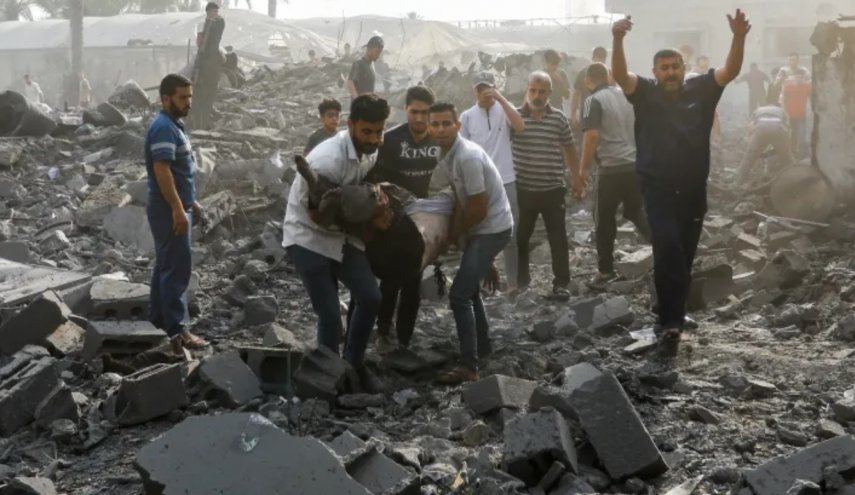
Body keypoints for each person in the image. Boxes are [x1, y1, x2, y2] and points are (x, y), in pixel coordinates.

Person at [611, 9, 750, 355]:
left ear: (684, 68)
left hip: (692, 190)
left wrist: (738, 37)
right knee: (668, 246)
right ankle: (670, 321)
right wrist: (617, 39)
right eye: (664, 68)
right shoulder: (645, 92)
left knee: (684, 254)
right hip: (657, 188)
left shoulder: (702, 89)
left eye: (675, 67)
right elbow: (621, 75)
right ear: (655, 72)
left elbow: (730, 71)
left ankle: (673, 310)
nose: (670, 72)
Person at [282, 94, 390, 391]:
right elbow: (317, 216)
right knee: (330, 316)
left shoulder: (371, 151)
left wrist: (373, 203)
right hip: (307, 235)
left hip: (342, 234)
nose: (374, 138)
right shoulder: (328, 159)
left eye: (379, 131)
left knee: (370, 297)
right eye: (367, 131)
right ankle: (326, 384)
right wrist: (370, 218)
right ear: (351, 124)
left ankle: (353, 365)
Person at [429, 101, 513, 384]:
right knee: (470, 289)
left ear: (457, 125)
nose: (441, 129)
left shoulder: (467, 157)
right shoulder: (447, 154)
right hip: (483, 230)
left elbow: (477, 208)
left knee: (459, 296)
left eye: (446, 123)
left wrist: (454, 236)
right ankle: (483, 346)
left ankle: (470, 366)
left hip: (493, 228)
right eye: (435, 124)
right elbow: (462, 200)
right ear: (429, 128)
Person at [365, 86, 440, 353]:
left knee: (413, 283)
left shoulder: (439, 140)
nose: (419, 118)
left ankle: (405, 340)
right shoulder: (390, 140)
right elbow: (374, 179)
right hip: (395, 224)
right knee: (390, 281)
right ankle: (383, 332)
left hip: (425, 224)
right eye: (414, 112)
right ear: (406, 110)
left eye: (425, 112)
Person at [145, 74, 209, 353]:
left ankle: (160, 322)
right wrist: (177, 209)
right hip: (167, 209)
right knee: (176, 268)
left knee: (165, 264)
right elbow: (162, 171)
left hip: (175, 206)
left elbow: (180, 171)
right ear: (166, 98)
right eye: (182, 97)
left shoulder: (172, 125)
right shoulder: (163, 128)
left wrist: (191, 202)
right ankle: (178, 331)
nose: (188, 102)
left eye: (190, 96)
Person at [579, 62, 652, 284]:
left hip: (610, 169)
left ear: (588, 81)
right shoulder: (627, 96)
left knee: (603, 219)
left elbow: (591, 136)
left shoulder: (593, 100)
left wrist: (583, 170)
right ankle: (668, 249)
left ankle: (605, 270)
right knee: (636, 212)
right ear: (609, 77)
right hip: (634, 166)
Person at [511, 71, 578, 300]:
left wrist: (577, 178)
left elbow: (570, 148)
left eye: (541, 91)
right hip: (523, 189)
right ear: (527, 90)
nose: (537, 96)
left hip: (552, 189)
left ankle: (561, 284)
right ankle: (521, 282)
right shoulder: (515, 117)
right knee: (521, 237)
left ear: (550, 92)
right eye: (533, 90)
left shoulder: (558, 118)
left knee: (558, 238)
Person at [459, 72, 525, 291]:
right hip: (480, 184)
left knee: (510, 233)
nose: (485, 93)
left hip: (506, 179)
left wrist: (501, 99)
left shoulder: (504, 109)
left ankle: (513, 283)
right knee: (480, 233)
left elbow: (520, 125)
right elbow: (462, 150)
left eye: (488, 88)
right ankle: (481, 282)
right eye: (480, 89)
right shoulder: (467, 117)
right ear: (474, 91)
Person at [735, 104, 794, 182]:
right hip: (777, 131)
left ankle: (739, 180)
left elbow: (751, 127)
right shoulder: (782, 111)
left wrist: (752, 145)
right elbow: (787, 128)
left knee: (749, 157)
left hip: (760, 130)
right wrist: (785, 148)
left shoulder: (758, 110)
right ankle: (794, 177)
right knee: (787, 159)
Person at [571, 46, 608, 129]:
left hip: (603, 112)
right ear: (593, 58)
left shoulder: (609, 74)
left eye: (603, 59)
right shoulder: (583, 73)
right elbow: (576, 94)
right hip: (586, 111)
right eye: (598, 58)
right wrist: (573, 114)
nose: (601, 62)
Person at [781, 73, 811, 158]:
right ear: (794, 78)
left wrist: (810, 110)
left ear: (803, 78)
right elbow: (783, 100)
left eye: (800, 77)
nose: (798, 79)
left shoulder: (807, 87)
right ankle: (792, 151)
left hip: (802, 114)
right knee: (793, 133)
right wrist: (784, 112)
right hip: (790, 115)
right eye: (797, 77)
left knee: (802, 134)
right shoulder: (788, 87)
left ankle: (803, 153)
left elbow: (811, 98)